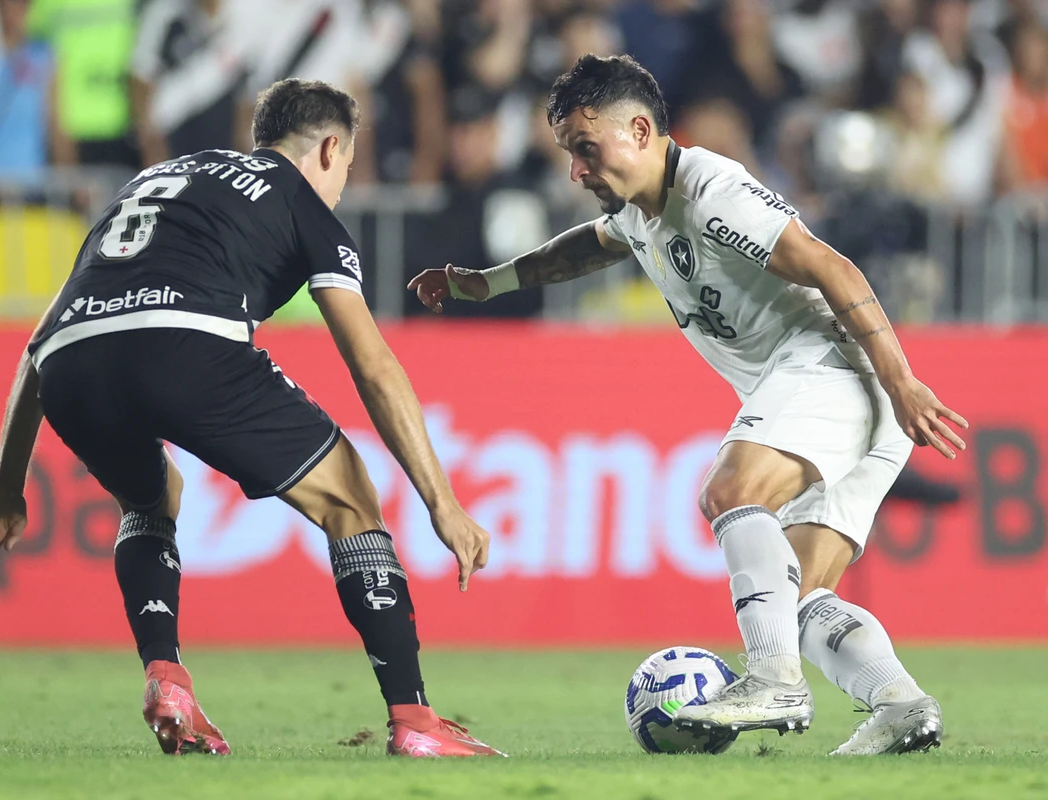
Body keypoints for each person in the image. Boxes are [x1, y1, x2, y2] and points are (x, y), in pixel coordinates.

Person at [409, 54, 969, 756]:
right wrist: (480, 285)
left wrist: (901, 378)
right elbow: (582, 251)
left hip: (839, 369)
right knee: (795, 601)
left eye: (586, 149)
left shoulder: (712, 192)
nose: (576, 171)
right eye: (568, 155)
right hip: (850, 397)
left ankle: (772, 680)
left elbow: (832, 266)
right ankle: (900, 705)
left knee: (731, 491)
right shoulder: (640, 212)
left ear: (639, 131)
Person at [0, 78, 503, 759]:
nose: (342, 184)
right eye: (349, 166)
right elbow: (374, 366)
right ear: (331, 148)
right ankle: (415, 721)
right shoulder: (303, 202)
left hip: (72, 363)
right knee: (351, 497)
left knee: (153, 497)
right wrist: (441, 500)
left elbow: (44, 338)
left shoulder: (155, 179)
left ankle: (167, 676)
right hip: (185, 343)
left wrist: (8, 483)